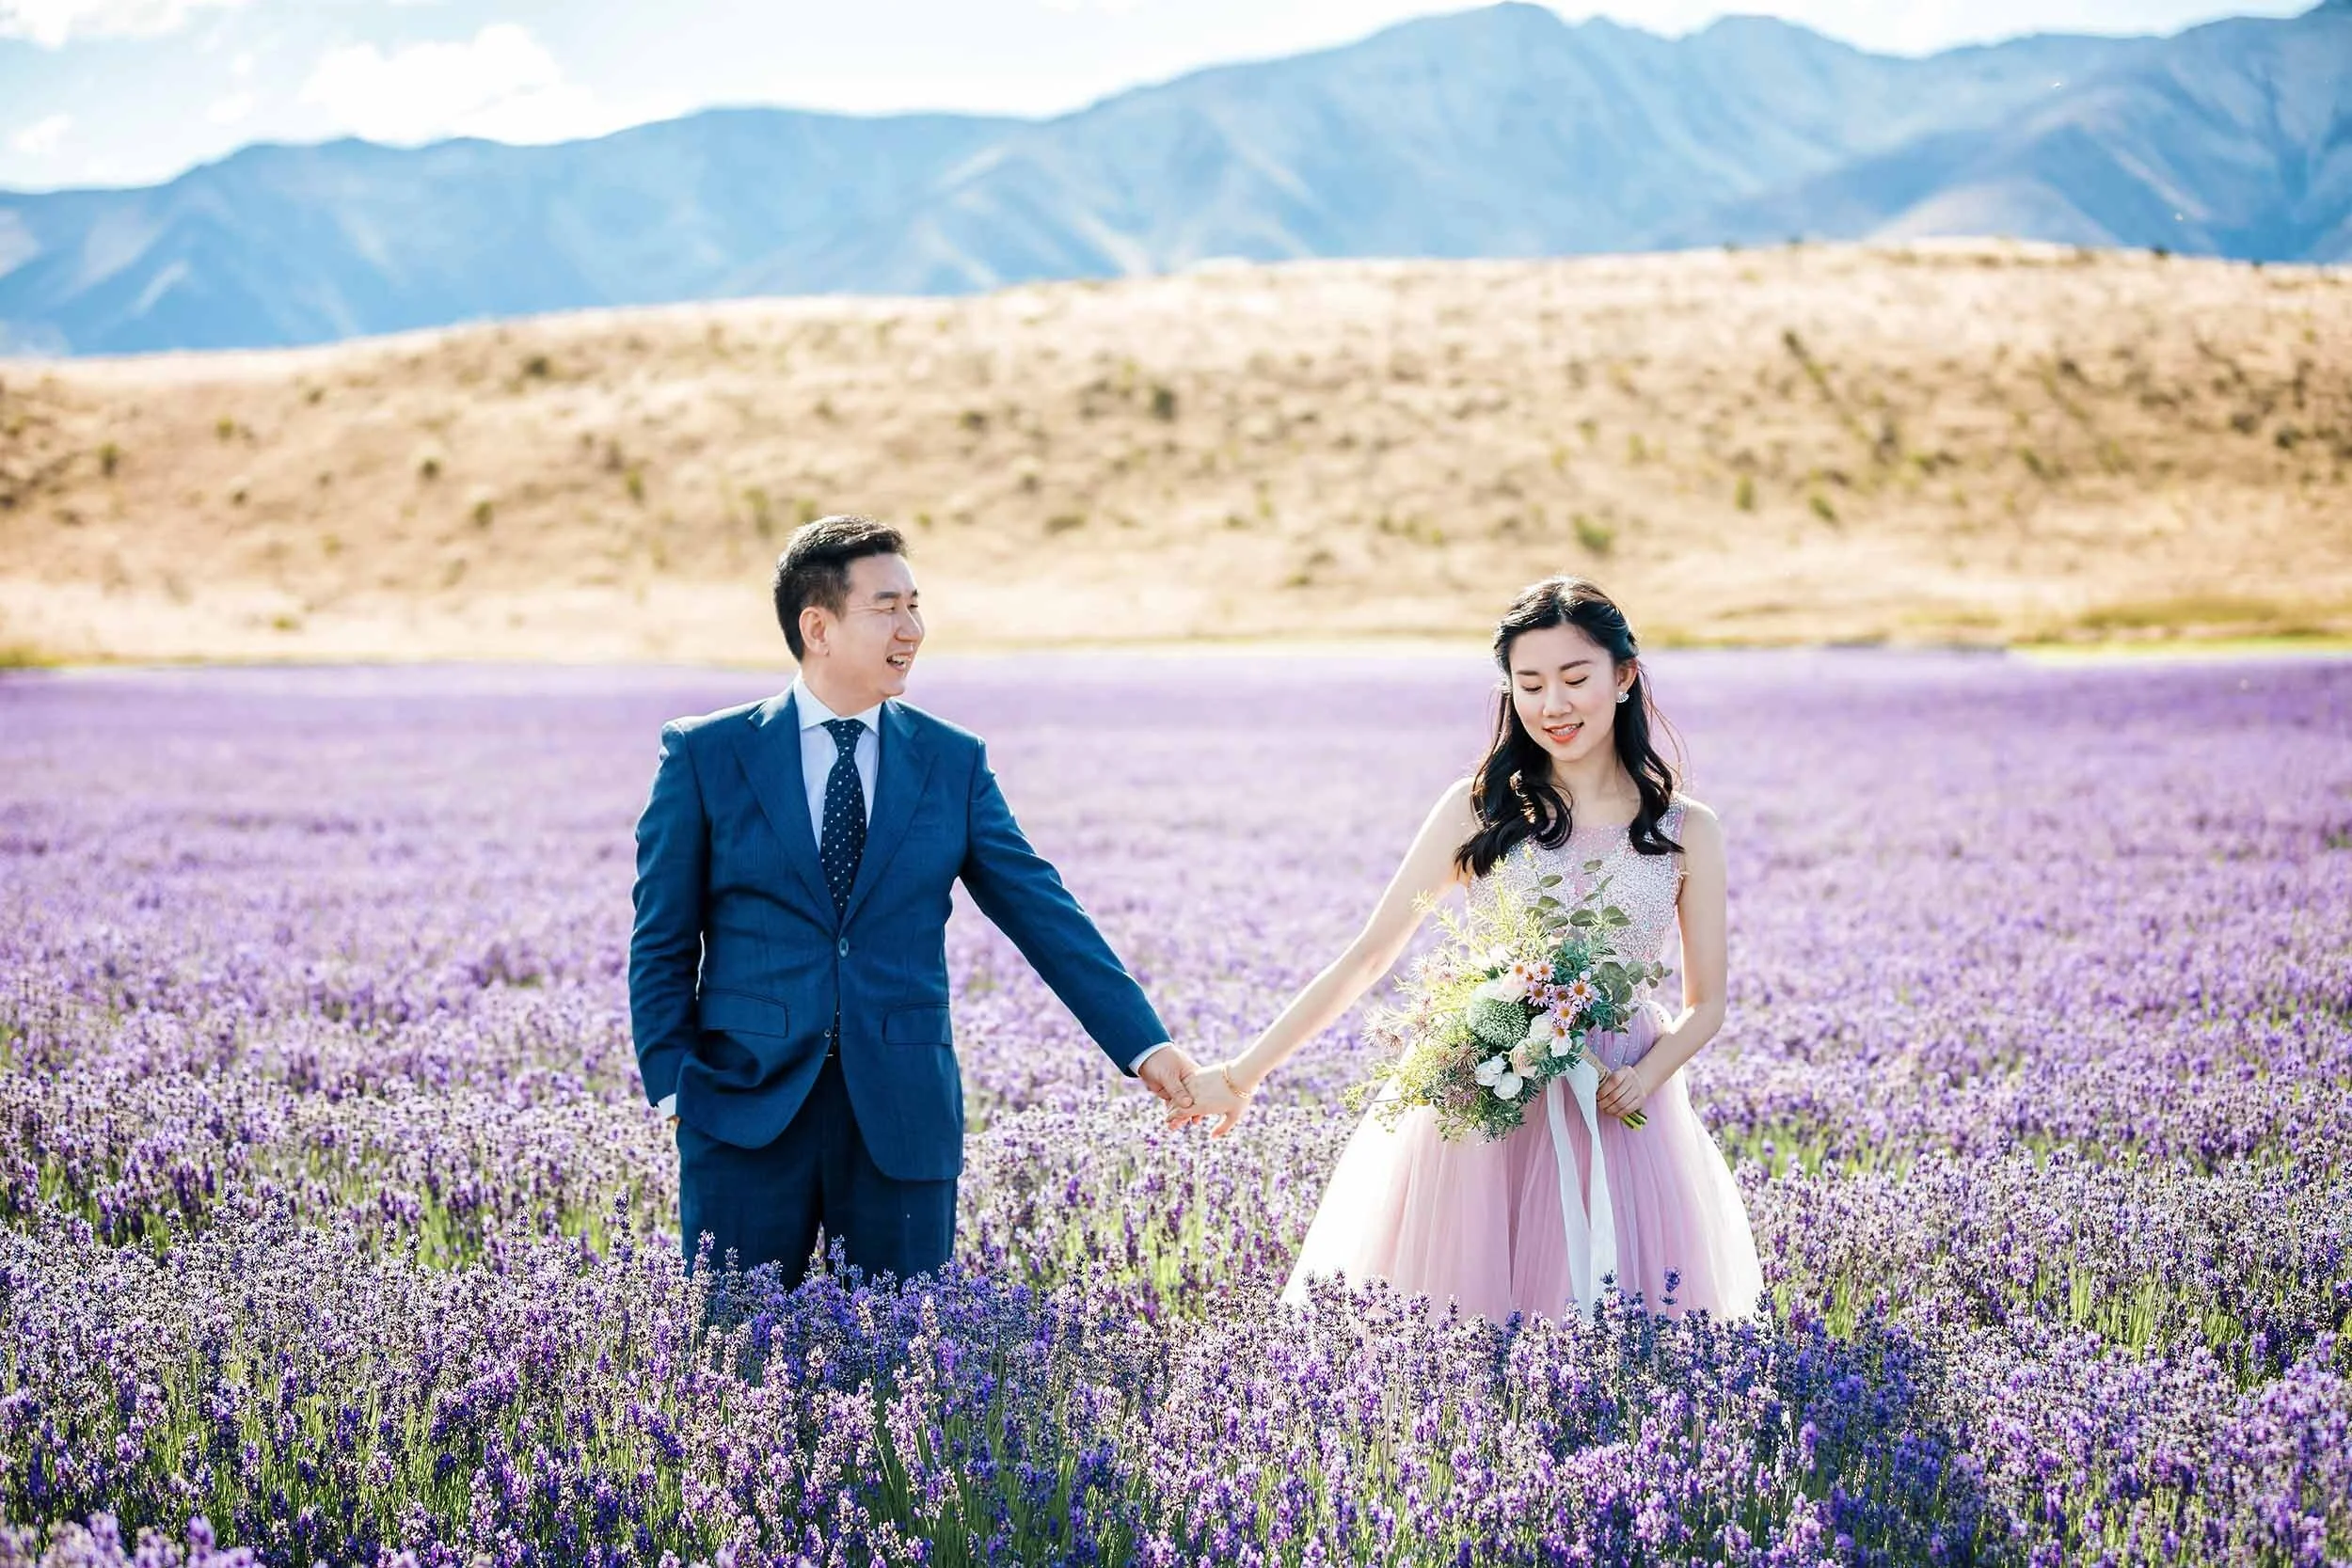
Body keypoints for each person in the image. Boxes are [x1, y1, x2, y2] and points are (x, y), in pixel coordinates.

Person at [628, 515, 1200, 1288]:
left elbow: (1042, 911)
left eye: (916, 605)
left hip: (902, 1116)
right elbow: (661, 941)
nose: (914, 627)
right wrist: (672, 1085)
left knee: (907, 1371)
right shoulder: (706, 753)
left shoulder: (951, 760)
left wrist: (1145, 1045)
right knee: (734, 1368)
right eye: (888, 607)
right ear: (818, 626)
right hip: (741, 1113)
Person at [1174, 576, 1762, 1323]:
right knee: (1458, 1322)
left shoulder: (1684, 829)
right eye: (1531, 684)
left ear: (1623, 677)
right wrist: (1243, 1071)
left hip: (1617, 1102)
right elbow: (1368, 955)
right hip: (1485, 1089)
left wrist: (1647, 1074)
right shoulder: (1479, 808)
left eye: (1576, 678)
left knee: (1624, 1327)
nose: (1555, 705)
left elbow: (1706, 1003)